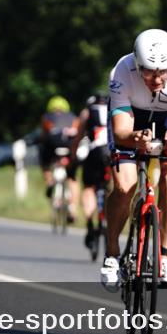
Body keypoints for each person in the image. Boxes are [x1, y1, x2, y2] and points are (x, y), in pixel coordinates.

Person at [100, 29, 167, 290]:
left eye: (163, 72)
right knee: (125, 185)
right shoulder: (122, 71)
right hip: (131, 120)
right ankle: (112, 254)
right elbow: (121, 132)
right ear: (137, 65)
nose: (156, 79)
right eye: (148, 72)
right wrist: (136, 138)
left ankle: (165, 256)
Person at [73, 91, 111, 250]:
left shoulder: (87, 112)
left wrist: (73, 157)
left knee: (88, 188)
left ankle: (90, 222)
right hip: (110, 153)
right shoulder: (115, 108)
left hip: (94, 153)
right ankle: (107, 219)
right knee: (109, 188)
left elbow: (78, 137)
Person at [39, 95, 80, 223]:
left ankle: (49, 181)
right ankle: (73, 209)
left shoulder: (47, 117)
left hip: (53, 145)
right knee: (72, 178)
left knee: (44, 160)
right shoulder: (73, 117)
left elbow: (44, 136)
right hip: (70, 145)